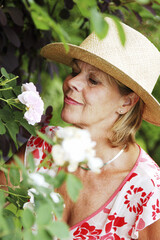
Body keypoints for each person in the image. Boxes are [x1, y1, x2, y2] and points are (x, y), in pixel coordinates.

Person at [2, 17, 160, 239]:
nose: (72, 82)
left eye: (93, 80)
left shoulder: (147, 192)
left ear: (127, 102)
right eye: (75, 71)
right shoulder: (43, 147)